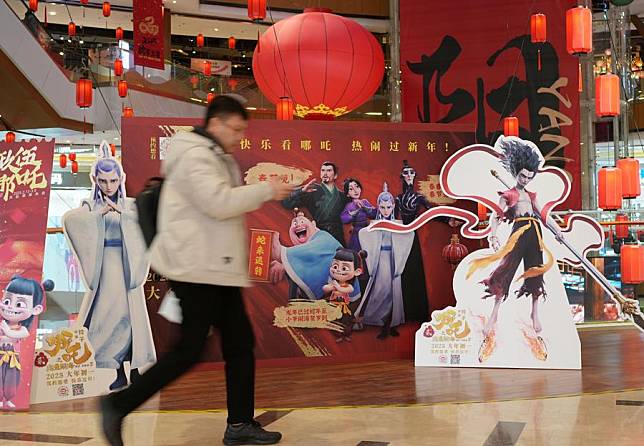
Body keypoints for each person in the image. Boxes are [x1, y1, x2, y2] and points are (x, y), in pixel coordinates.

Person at [100, 95, 293, 446]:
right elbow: (219, 203)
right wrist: (267, 190)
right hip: (197, 269)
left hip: (214, 269)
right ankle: (118, 404)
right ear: (215, 123)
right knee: (189, 350)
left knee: (239, 344)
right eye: (234, 129)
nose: (238, 137)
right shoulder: (196, 157)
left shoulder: (213, 155)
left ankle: (239, 426)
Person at [63, 145, 156, 391]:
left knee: (131, 318)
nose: (108, 186)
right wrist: (98, 215)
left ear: (120, 179)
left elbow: (145, 223)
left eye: (113, 180)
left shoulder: (131, 205)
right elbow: (72, 220)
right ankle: (118, 372)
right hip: (105, 267)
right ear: (95, 180)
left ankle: (135, 369)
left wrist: (123, 215)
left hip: (128, 266)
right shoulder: (89, 205)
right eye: (103, 181)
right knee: (110, 319)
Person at [466, 137, 564, 362]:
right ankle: (494, 313)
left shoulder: (531, 196)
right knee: (506, 270)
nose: (525, 180)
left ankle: (534, 312)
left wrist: (558, 230)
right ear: (516, 172)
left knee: (536, 271)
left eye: (529, 177)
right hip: (519, 232)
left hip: (535, 232)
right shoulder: (508, 195)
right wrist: (492, 234)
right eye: (522, 176)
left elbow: (544, 215)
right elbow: (495, 216)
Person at [354, 183, 414, 339]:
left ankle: (390, 323)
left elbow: (409, 234)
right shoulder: (374, 224)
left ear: (393, 206)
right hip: (380, 261)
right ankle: (379, 321)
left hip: (393, 260)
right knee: (380, 291)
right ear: (378, 207)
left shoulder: (398, 225)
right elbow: (363, 234)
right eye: (382, 207)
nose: (386, 210)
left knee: (393, 292)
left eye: (388, 207)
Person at [0, 276, 52, 408]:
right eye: (6, 301)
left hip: (13, 359)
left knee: (11, 379)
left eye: (19, 304)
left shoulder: (22, 328)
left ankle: (8, 398)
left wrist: (6, 331)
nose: (10, 307)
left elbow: (14, 336)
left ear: (36, 309)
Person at [282, 162, 349, 245]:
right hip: (318, 232)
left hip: (338, 235)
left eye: (328, 170)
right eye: (323, 170)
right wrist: (301, 191)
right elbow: (286, 203)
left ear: (335, 176)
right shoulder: (311, 190)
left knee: (342, 256)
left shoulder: (342, 196)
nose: (325, 173)